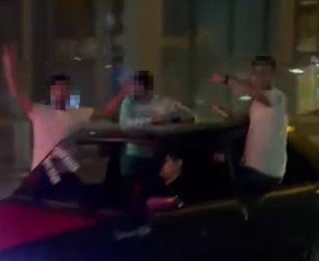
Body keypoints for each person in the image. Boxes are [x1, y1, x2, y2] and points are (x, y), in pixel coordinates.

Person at [2, 45, 129, 170]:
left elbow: (107, 111)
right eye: (58, 88)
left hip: (64, 172)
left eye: (64, 88)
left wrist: (123, 94)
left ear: (69, 91)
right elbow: (16, 93)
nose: (61, 92)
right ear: (52, 91)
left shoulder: (77, 113)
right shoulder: (39, 111)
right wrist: (9, 70)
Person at [211, 56, 288, 195]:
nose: (259, 77)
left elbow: (258, 95)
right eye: (255, 73)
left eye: (264, 72)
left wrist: (227, 80)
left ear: (273, 75)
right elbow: (248, 122)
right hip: (252, 167)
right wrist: (227, 114)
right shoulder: (257, 102)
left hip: (266, 171)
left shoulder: (277, 96)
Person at [119, 71, 194, 177]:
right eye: (132, 85)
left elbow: (189, 115)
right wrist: (150, 120)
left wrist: (171, 116)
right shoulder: (128, 102)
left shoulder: (160, 102)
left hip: (156, 154)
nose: (132, 88)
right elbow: (125, 125)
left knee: (155, 183)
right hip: (134, 154)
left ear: (145, 86)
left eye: (135, 85)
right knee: (129, 183)